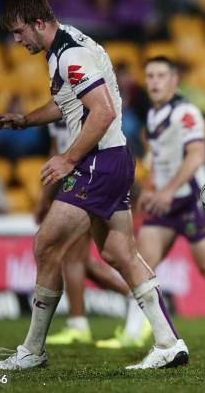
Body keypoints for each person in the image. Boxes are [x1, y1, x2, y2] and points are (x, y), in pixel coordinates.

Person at [0, 0, 187, 370]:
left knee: (46, 243)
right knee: (118, 253)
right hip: (114, 160)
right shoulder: (64, 48)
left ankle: (32, 351)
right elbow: (67, 103)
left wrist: (68, 157)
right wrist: (24, 120)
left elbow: (103, 111)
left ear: (38, 23)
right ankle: (168, 342)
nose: (17, 40)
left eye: (18, 32)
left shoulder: (71, 54)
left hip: (98, 161)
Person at [95, 56, 205, 349]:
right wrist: (152, 188)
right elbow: (157, 157)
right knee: (140, 263)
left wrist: (168, 191)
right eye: (150, 76)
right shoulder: (154, 115)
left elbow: (196, 155)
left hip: (189, 202)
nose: (154, 82)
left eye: (161, 76)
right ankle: (133, 331)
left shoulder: (185, 112)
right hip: (164, 208)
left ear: (174, 80)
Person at [41, 118, 150, 348]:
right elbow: (56, 151)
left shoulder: (89, 103)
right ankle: (139, 301)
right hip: (68, 184)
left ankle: (78, 323)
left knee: (76, 257)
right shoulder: (59, 108)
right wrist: (45, 197)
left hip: (90, 180)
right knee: (88, 262)